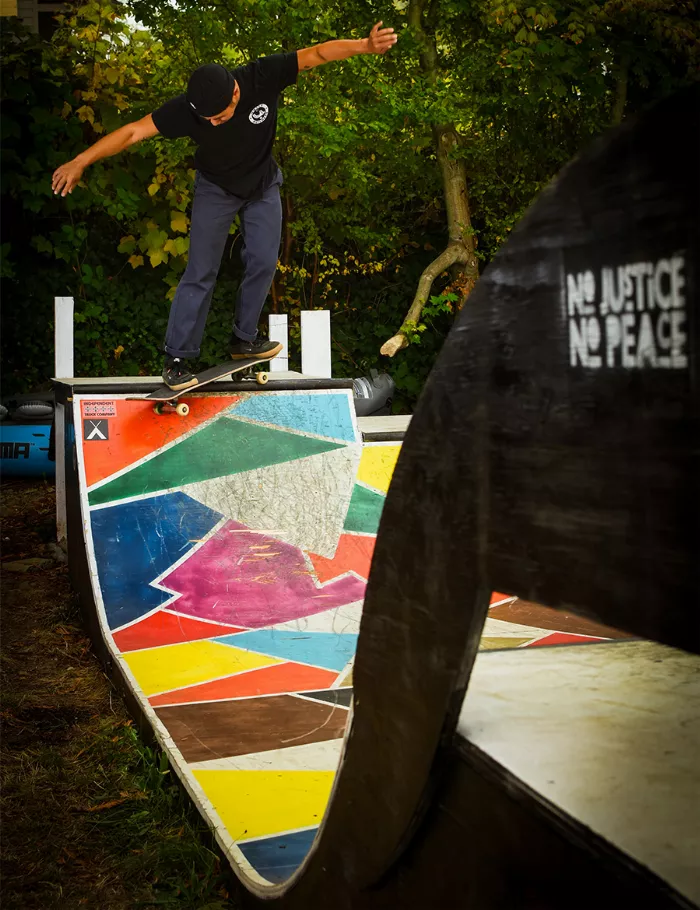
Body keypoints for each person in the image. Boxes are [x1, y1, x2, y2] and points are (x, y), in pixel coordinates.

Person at [52, 23, 398, 390]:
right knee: (201, 271)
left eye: (220, 116)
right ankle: (178, 357)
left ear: (236, 92)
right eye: (208, 120)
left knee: (264, 260)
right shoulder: (186, 110)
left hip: (262, 185)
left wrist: (364, 45)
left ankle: (244, 338)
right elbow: (134, 131)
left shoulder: (262, 75)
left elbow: (316, 54)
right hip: (215, 189)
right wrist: (81, 161)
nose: (214, 123)